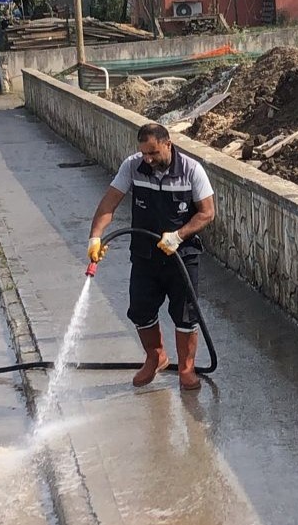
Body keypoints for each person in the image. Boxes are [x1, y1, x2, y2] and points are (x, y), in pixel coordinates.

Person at [87, 123, 215, 391]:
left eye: (153, 153)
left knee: (185, 315)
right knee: (140, 310)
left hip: (181, 256)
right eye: (144, 153)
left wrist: (179, 235)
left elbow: (207, 213)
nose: (148, 159)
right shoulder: (132, 166)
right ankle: (156, 357)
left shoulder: (192, 170)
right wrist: (96, 237)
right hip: (145, 255)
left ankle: (186, 369)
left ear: (168, 144)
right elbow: (108, 204)